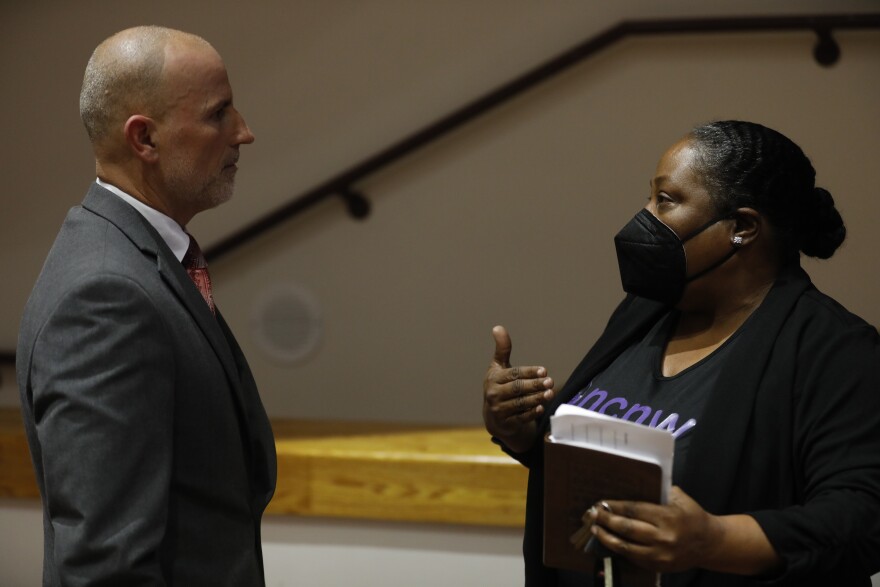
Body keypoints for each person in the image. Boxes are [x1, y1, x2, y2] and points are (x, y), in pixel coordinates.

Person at [482, 120, 880, 586]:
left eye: (665, 201)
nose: (644, 217)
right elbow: (602, 472)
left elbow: (864, 517)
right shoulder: (643, 315)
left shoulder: (834, 350)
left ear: (743, 228)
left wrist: (715, 540)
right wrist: (526, 433)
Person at [16, 26, 276, 586]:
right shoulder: (104, 297)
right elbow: (106, 568)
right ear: (145, 140)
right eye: (218, 113)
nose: (244, 133)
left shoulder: (145, 261)